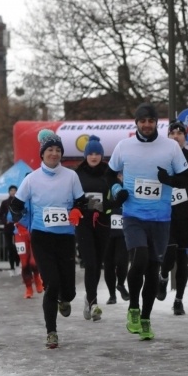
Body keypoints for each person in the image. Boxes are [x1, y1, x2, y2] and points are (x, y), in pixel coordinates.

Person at [106, 103, 188, 340]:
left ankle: (145, 318)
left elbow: (186, 178)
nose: (146, 125)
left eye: (151, 121)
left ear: (157, 123)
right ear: (136, 123)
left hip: (161, 218)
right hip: (133, 215)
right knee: (140, 257)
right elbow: (110, 174)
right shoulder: (124, 146)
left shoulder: (171, 147)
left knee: (153, 269)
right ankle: (133, 307)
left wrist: (170, 179)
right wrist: (116, 189)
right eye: (142, 121)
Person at [10, 133, 86, 349]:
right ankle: (51, 332)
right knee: (51, 283)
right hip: (42, 237)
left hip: (65, 237)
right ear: (42, 153)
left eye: (58, 150)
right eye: (50, 150)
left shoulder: (71, 176)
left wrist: (76, 211)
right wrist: (22, 220)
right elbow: (15, 206)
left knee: (68, 290)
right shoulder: (31, 179)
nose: (54, 153)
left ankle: (65, 298)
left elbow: (82, 202)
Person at [157, 120, 188, 316]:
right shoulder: (161, 158)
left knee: (182, 258)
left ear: (185, 137)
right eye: (173, 133)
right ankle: (162, 278)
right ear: (168, 137)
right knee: (169, 255)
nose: (177, 136)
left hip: (185, 215)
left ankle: (178, 300)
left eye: (180, 133)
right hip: (164, 214)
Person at [75, 135, 116, 322]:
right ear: (85, 155)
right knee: (90, 263)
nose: (93, 156)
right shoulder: (77, 174)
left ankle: (89, 299)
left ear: (101, 155)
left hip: (103, 223)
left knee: (97, 264)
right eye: (90, 153)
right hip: (83, 224)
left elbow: (114, 196)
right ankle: (93, 303)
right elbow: (72, 197)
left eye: (97, 153)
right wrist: (80, 207)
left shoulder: (109, 173)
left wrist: (107, 206)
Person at [103, 173, 129, 305]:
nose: (120, 177)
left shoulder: (129, 186)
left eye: (122, 174)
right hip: (107, 229)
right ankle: (112, 294)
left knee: (122, 261)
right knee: (108, 264)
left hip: (124, 230)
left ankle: (121, 284)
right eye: (118, 174)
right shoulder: (106, 185)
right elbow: (98, 204)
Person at [10, 201, 43, 299]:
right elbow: (10, 215)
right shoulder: (19, 198)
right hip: (20, 234)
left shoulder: (38, 197)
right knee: (24, 264)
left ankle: (37, 276)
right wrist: (19, 225)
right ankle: (28, 288)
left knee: (33, 262)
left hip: (35, 232)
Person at [0, 185, 20, 273]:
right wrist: (5, 221)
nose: (13, 192)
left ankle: (18, 264)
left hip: (18, 227)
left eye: (15, 190)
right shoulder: (5, 202)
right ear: (9, 192)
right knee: (9, 247)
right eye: (11, 190)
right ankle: (11, 266)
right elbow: (0, 214)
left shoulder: (20, 202)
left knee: (18, 246)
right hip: (8, 228)